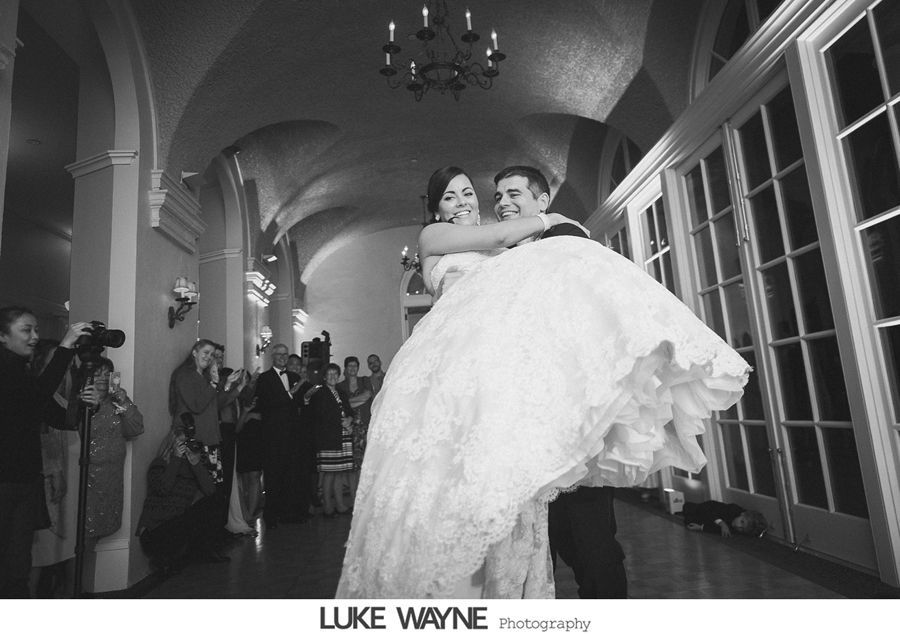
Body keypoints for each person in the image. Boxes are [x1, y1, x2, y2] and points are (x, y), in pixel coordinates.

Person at [335, 167, 750, 599]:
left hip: (530, 395)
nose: (463, 202)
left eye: (467, 194)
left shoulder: (520, 250)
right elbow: (498, 240)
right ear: (435, 208)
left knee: (572, 541)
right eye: (449, 197)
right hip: (467, 380)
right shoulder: (436, 239)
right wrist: (550, 221)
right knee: (483, 513)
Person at [495, 165, 626, 599]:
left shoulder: (565, 235)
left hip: (572, 420)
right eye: (498, 196)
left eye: (514, 192)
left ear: (543, 201)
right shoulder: (513, 251)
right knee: (541, 547)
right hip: (529, 425)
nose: (503, 202)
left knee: (591, 545)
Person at [0, 307, 89, 597]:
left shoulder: (23, 372)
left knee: (18, 565)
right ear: (2, 335)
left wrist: (86, 402)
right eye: (27, 330)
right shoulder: (6, 370)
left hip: (25, 480)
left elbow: (57, 418)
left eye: (37, 329)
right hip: (5, 481)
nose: (35, 336)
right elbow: (36, 399)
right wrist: (64, 348)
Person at [136, 423, 229, 571]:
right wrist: (176, 458)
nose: (185, 448)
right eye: (181, 444)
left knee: (216, 500)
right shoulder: (159, 465)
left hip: (178, 525)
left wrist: (196, 464)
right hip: (156, 531)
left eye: (187, 444)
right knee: (183, 522)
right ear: (171, 445)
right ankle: (164, 559)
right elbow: (163, 489)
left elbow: (211, 492)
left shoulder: (190, 468)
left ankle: (205, 551)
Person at [77, 358, 144, 539]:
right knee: (82, 529)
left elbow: (136, 428)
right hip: (86, 474)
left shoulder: (117, 401)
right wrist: (89, 405)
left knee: (101, 529)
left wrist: (125, 402)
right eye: (97, 373)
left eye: (107, 374)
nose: (102, 378)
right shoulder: (81, 403)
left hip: (111, 476)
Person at [255, 344, 308, 526]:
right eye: (280, 354)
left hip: (292, 434)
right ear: (273, 356)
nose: (283, 357)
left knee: (289, 475)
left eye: (285, 354)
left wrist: (306, 395)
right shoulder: (264, 379)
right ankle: (271, 516)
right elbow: (269, 403)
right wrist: (293, 392)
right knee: (273, 475)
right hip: (273, 435)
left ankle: (288, 513)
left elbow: (299, 402)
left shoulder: (293, 376)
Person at [310, 363, 354, 517]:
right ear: (324, 377)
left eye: (335, 374)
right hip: (328, 437)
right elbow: (321, 415)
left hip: (342, 435)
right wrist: (341, 421)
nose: (333, 377)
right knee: (329, 473)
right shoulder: (320, 393)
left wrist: (349, 418)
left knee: (339, 472)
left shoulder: (341, 392)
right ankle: (328, 506)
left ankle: (340, 505)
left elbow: (349, 410)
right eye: (329, 374)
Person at [336, 356, 372, 504]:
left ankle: (365, 498)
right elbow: (339, 405)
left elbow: (367, 396)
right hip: (348, 429)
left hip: (363, 428)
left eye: (355, 366)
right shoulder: (340, 386)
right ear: (345, 368)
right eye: (349, 366)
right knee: (351, 466)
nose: (352, 368)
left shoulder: (364, 381)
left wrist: (348, 403)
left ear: (358, 368)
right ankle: (353, 498)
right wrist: (357, 401)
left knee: (364, 464)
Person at [683, 500, 768, 537]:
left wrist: (701, 528)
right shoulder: (733, 509)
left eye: (741, 529)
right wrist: (722, 523)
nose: (738, 526)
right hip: (709, 508)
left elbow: (717, 530)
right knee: (689, 508)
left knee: (689, 521)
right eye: (741, 522)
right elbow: (710, 510)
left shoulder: (735, 528)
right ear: (742, 514)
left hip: (709, 521)